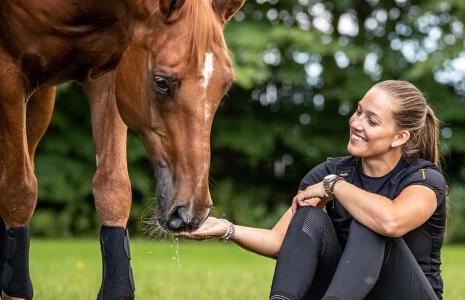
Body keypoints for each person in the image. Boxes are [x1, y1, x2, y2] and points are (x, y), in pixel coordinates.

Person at [178, 80, 447, 300]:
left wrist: (335, 187)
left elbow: (391, 221)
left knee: (369, 221)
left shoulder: (423, 178)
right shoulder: (330, 171)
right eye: (358, 111)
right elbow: (284, 241)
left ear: (400, 137)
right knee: (310, 217)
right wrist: (226, 229)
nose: (356, 123)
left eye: (372, 121)